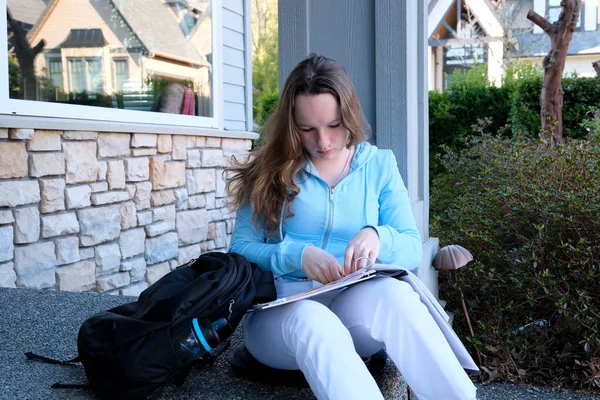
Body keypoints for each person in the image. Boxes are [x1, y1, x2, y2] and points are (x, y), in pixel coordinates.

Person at [227, 54, 477, 400]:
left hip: (353, 308)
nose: (324, 141)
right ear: (291, 125)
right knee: (315, 321)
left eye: (333, 125)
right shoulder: (269, 170)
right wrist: (294, 255)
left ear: (350, 115)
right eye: (307, 129)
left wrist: (378, 235)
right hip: (281, 317)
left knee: (397, 296)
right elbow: (239, 248)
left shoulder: (379, 166)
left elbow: (408, 245)